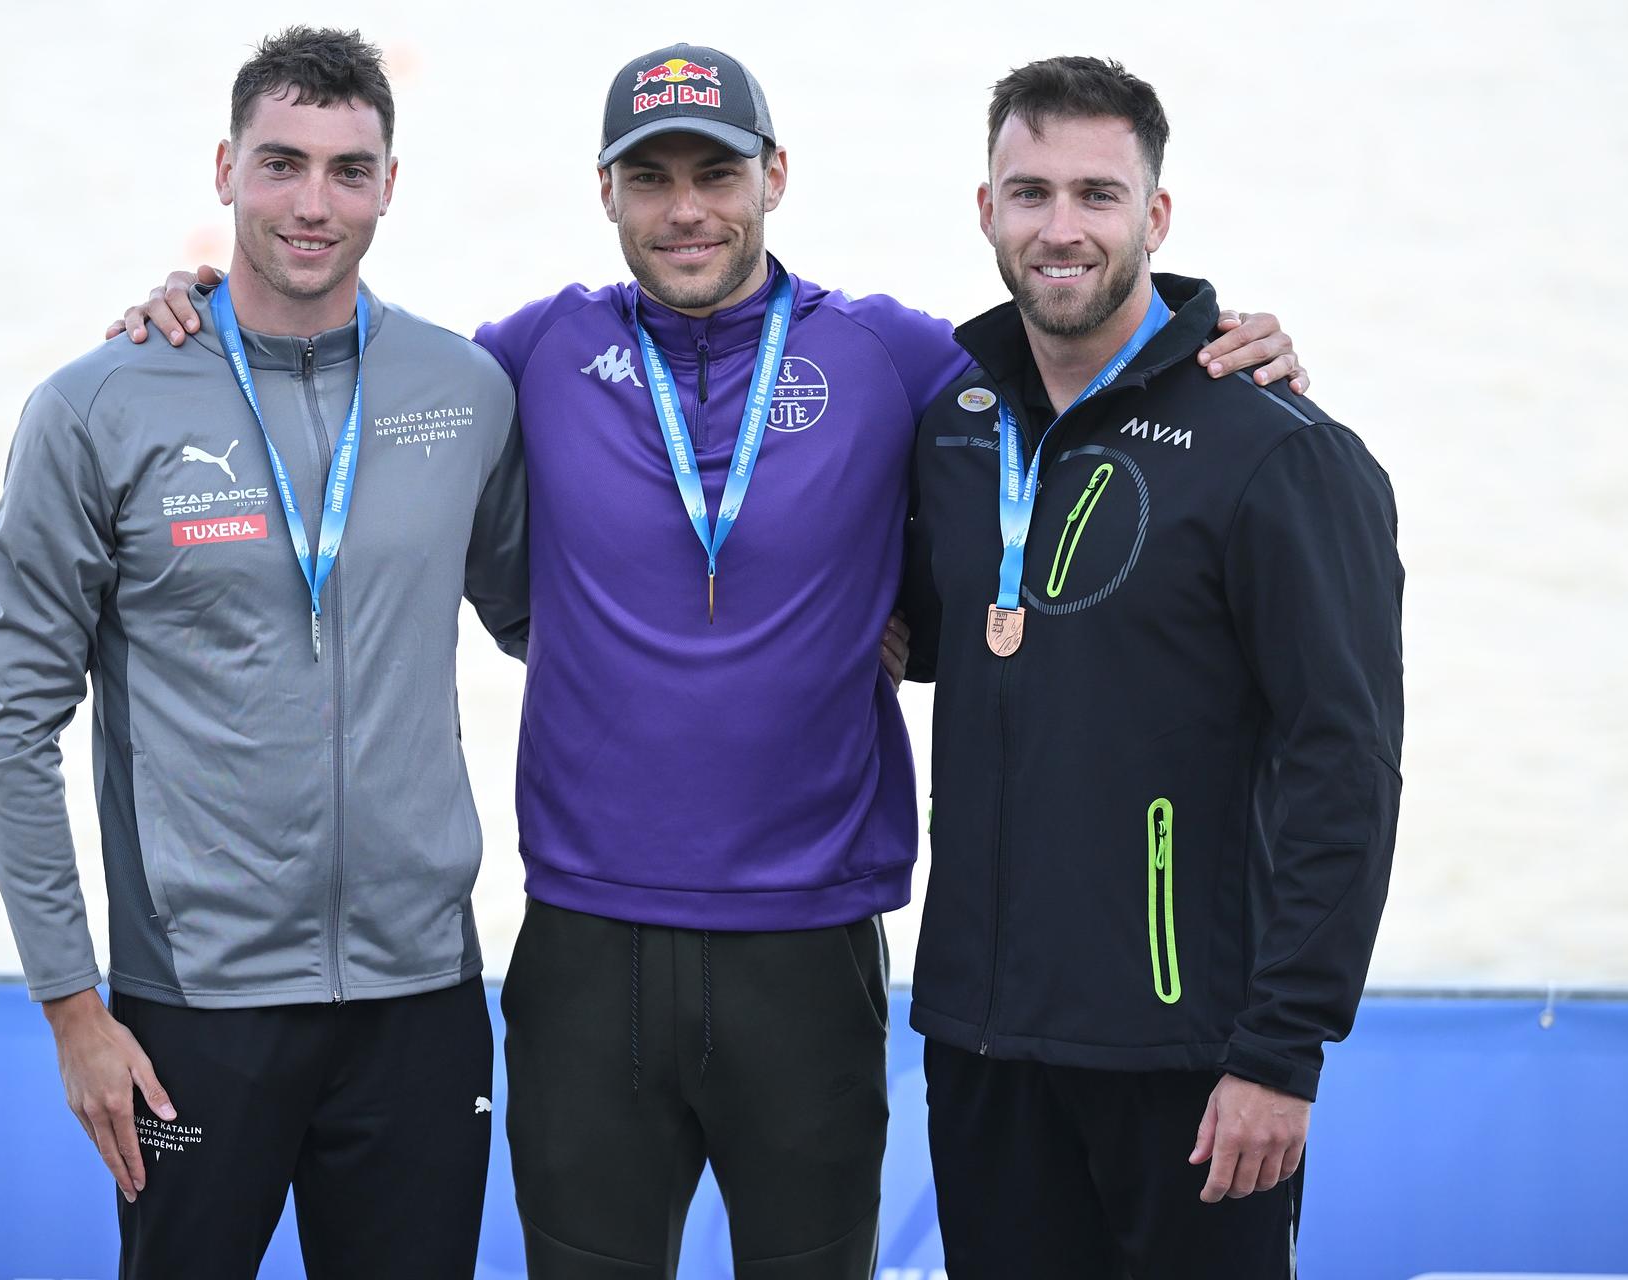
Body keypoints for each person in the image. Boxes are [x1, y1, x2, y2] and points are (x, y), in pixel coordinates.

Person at [111, 43, 1305, 1279]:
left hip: (809, 941)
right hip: (586, 945)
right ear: (606, 191)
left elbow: (1080, 370)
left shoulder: (891, 356)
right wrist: (198, 310)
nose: (686, 209)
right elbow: (342, 366)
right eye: (652, 177)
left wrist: (1213, 348)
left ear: (774, 177)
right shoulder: (529, 354)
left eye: (716, 174)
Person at [0, 28, 527, 1280]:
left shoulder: (466, 391)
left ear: (390, 185)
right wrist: (73, 1010)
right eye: (282, 163)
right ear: (226, 169)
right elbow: (11, 728)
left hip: (422, 997)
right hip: (194, 1005)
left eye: (347, 169)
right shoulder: (98, 404)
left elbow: (551, 619)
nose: (313, 203)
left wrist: (829, 614)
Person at [901, 56, 1404, 1277]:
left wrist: (1281, 1051)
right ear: (986, 209)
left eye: (1098, 193)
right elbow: (906, 626)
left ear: (1156, 215)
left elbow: (1346, 763)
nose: (1061, 228)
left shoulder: (1277, 451)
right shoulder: (954, 428)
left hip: (1190, 1060)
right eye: (1031, 193)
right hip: (982, 1045)